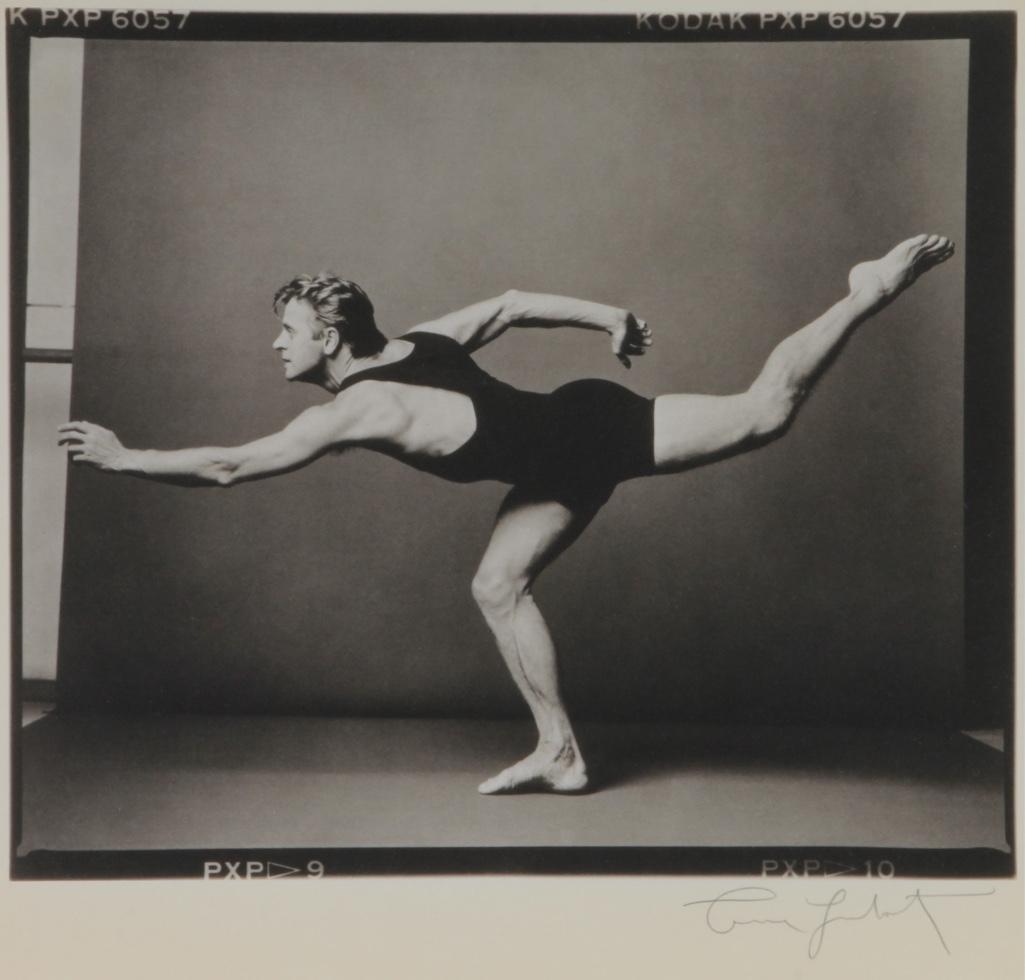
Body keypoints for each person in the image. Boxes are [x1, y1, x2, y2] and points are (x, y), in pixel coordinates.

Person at [59, 234, 954, 794]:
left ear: (328, 338)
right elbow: (515, 303)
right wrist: (609, 316)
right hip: (553, 452)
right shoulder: (417, 342)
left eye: (286, 330)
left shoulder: (358, 409)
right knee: (496, 584)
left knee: (764, 412)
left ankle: (865, 290)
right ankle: (559, 754)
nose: (275, 343)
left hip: (587, 435)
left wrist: (126, 456)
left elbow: (228, 466)